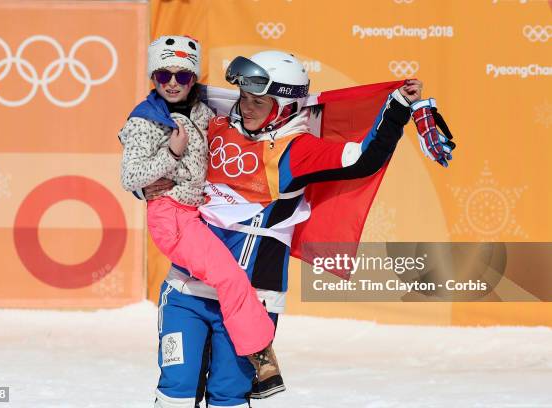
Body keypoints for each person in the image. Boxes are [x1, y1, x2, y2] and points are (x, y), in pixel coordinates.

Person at [143, 49, 442, 408]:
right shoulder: (215, 123)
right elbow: (154, 119)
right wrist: (142, 182)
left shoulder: (297, 151)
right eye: (244, 97)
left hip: (251, 302)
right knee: (175, 391)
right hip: (187, 290)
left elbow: (364, 159)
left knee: (228, 397)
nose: (247, 106)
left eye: (259, 101)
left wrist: (396, 107)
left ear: (285, 107)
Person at [117, 36, 282, 396]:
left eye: (182, 76)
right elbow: (130, 176)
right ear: (153, 78)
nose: (172, 83)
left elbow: (242, 102)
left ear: (194, 79)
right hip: (171, 217)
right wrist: (171, 155)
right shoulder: (146, 120)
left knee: (229, 277)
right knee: (229, 277)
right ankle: (261, 358)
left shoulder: (203, 111)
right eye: (163, 75)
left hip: (195, 213)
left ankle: (249, 353)